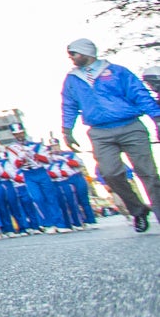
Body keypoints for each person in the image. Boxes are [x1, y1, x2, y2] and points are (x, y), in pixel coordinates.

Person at [61, 36, 160, 231]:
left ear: (86, 52)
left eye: (73, 53)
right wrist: (67, 130)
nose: (71, 58)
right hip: (99, 132)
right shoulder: (72, 79)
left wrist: (156, 118)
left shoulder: (117, 72)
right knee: (110, 173)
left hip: (131, 126)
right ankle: (137, 209)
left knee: (147, 173)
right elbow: (69, 104)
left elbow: (139, 94)